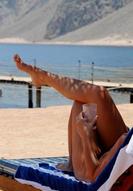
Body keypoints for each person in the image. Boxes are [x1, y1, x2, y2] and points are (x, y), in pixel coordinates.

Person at [13, 54, 128, 182]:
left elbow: (92, 177)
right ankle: (41, 76)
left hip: (91, 169)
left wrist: (86, 136)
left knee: (88, 100)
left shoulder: (125, 141)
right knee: (89, 99)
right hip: (118, 148)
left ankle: (42, 77)